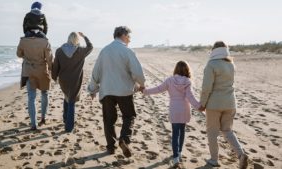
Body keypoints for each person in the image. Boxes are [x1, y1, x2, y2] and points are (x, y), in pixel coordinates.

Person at [87, 26, 145, 157]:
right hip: (124, 91)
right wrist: (141, 84)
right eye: (129, 36)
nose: (130, 40)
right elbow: (137, 71)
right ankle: (124, 139)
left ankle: (111, 147)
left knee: (109, 120)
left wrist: (92, 89)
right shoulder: (127, 51)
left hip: (107, 91)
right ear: (123, 35)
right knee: (129, 116)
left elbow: (96, 72)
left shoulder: (104, 51)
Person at [140, 61, 203, 167]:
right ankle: (179, 152)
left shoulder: (169, 80)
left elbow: (158, 89)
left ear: (176, 69)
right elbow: (190, 97)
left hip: (174, 108)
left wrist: (145, 91)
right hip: (184, 109)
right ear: (187, 70)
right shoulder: (188, 81)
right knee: (182, 131)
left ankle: (175, 157)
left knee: (175, 133)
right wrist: (199, 107)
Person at [200, 41, 248, 168]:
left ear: (213, 50)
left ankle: (214, 159)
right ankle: (241, 154)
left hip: (214, 104)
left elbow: (206, 87)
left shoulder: (211, 64)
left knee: (212, 132)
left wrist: (202, 103)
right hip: (231, 103)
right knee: (227, 130)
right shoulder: (231, 64)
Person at [52, 32, 93, 132]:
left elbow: (56, 65)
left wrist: (54, 77)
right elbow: (90, 47)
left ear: (68, 39)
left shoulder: (59, 51)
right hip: (75, 80)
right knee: (71, 101)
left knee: (67, 96)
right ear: (77, 40)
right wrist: (85, 37)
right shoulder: (80, 51)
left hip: (63, 80)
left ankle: (66, 119)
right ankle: (69, 127)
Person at [16, 33, 53, 130]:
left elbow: (19, 54)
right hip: (42, 70)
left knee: (31, 97)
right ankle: (43, 118)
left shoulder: (23, 40)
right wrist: (51, 68)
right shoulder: (45, 41)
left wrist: (26, 53)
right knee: (44, 93)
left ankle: (33, 124)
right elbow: (49, 58)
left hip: (29, 70)